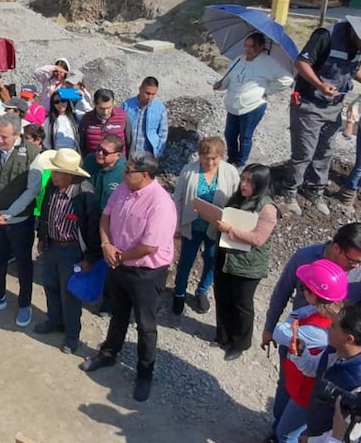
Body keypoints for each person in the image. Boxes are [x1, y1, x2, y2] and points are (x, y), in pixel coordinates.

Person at [79, 152, 176, 402]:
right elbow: (106, 216)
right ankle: (108, 354)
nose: (123, 173)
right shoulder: (124, 188)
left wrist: (119, 256)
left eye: (128, 170)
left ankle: (144, 374)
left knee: (145, 325)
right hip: (118, 262)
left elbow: (149, 247)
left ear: (145, 175)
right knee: (118, 313)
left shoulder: (161, 204)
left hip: (146, 272)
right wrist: (106, 245)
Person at [261, 223, 361, 435]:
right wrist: (269, 329)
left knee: (305, 405)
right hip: (298, 344)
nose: (356, 267)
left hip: (320, 351)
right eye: (352, 261)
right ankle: (279, 427)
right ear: (336, 248)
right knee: (286, 386)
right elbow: (281, 293)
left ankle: (285, 432)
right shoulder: (304, 257)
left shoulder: (359, 275)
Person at [283, 16, 361, 217]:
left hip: (334, 106)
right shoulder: (326, 35)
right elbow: (301, 63)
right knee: (304, 152)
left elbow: (352, 69)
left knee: (326, 151)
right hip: (310, 102)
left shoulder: (357, 45)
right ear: (354, 31)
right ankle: (289, 192)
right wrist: (320, 85)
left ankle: (314, 190)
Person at [0, 114, 42, 322]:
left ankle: (24, 304)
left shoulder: (32, 153)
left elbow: (32, 189)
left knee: (23, 264)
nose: (0, 140)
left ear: (17, 135)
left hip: (19, 221)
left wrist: (11, 213)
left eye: (5, 137)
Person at [34, 148, 101, 354]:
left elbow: (93, 229)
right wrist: (42, 237)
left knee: (70, 294)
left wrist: (89, 258)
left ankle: (72, 336)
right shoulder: (52, 186)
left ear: (70, 175)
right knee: (50, 286)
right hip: (51, 246)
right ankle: (54, 321)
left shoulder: (85, 195)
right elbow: (45, 212)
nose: (53, 175)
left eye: (57, 172)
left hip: (72, 251)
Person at [272, 260, 347, 443]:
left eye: (303, 288)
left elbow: (279, 332)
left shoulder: (314, 331)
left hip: (306, 393)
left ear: (314, 295)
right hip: (315, 389)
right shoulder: (342, 315)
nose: (301, 290)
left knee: (286, 434)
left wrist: (295, 317)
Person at [213, 163, 278, 361]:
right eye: (243, 179)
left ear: (260, 183)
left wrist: (229, 230)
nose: (244, 184)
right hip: (226, 258)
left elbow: (258, 238)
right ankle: (224, 335)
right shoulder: (237, 199)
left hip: (248, 266)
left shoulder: (267, 208)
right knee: (223, 297)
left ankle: (240, 343)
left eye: (250, 181)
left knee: (242, 305)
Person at [171, 136, 240, 315]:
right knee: (186, 260)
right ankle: (179, 292)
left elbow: (235, 200)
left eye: (214, 158)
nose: (209, 162)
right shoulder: (189, 170)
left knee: (211, 260)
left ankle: (202, 290)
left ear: (221, 156)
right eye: (205, 157)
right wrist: (176, 225)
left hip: (216, 227)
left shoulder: (230, 172)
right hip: (192, 225)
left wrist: (230, 225)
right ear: (199, 155)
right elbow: (178, 198)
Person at [213, 32, 293, 168]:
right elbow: (229, 77)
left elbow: (287, 79)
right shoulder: (239, 59)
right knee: (229, 134)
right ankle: (232, 159)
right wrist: (220, 85)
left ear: (261, 47)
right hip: (233, 104)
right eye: (246, 46)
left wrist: (266, 89)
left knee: (245, 136)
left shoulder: (269, 63)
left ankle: (241, 163)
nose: (248, 49)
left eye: (252, 46)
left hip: (253, 106)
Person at [301, 304, 361, 441]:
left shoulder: (358, 383)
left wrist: (310, 441)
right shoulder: (334, 349)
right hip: (314, 424)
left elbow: (347, 434)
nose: (328, 327)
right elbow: (315, 368)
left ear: (349, 339)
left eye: (334, 326)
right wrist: (300, 353)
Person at [122, 77, 168, 158]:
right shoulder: (127, 104)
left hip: (148, 155)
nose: (150, 97)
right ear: (140, 89)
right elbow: (121, 127)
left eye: (153, 94)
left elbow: (163, 133)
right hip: (129, 153)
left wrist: (158, 153)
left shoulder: (159, 108)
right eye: (147, 93)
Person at [79, 88, 131, 157]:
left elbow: (130, 141)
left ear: (113, 103)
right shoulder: (86, 119)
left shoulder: (123, 116)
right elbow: (82, 144)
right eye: (102, 108)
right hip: (93, 161)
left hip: (118, 162)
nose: (105, 112)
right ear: (94, 103)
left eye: (109, 108)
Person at [82, 134, 126, 209]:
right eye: (99, 148)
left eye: (105, 152)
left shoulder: (125, 172)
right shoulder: (89, 161)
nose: (100, 153)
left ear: (118, 155)